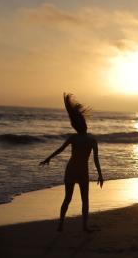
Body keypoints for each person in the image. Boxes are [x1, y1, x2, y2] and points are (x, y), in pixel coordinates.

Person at [40, 93, 103, 232]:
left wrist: (48, 159)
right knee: (84, 200)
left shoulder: (73, 138)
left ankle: (61, 225)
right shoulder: (92, 140)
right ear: (84, 125)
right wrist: (100, 174)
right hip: (82, 171)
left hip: (71, 169)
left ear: (76, 126)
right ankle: (84, 227)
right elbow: (95, 159)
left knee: (67, 198)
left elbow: (60, 150)